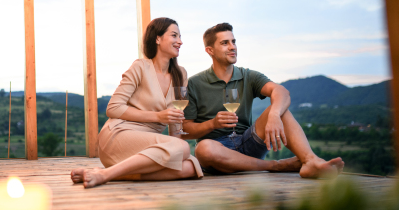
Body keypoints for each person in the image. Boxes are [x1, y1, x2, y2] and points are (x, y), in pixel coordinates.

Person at [182, 23, 344, 178]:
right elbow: (185, 130)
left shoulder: (249, 76)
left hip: (248, 142)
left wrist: (274, 115)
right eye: (225, 43)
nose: (232, 47)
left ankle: (310, 161)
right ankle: (277, 165)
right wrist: (213, 124)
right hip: (217, 151)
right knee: (203, 149)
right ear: (210, 50)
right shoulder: (194, 83)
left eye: (233, 41)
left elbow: (281, 92)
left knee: (280, 108)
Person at [71, 18, 203, 188]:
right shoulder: (140, 67)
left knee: (190, 167)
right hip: (120, 134)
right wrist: (158, 116)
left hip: (149, 145)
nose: (180, 41)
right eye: (174, 35)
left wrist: (176, 148)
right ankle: (105, 173)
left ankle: (108, 174)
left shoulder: (180, 73)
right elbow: (113, 108)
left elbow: (175, 118)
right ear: (157, 38)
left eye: (180, 36)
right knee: (183, 148)